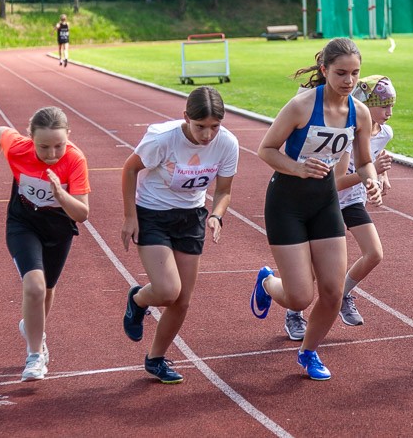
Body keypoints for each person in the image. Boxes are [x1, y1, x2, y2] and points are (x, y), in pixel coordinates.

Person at [251, 38, 381, 381]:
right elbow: (266, 149)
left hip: (325, 202)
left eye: (355, 73)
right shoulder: (302, 106)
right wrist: (298, 168)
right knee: (299, 297)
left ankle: (308, 352)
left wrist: (371, 181)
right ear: (324, 70)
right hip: (287, 203)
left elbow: (364, 161)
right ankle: (267, 282)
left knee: (333, 292)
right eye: (341, 73)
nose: (349, 80)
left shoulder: (360, 113)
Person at [121, 86, 239, 383]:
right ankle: (138, 300)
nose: (207, 135)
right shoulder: (163, 139)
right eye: (200, 126)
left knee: (182, 300)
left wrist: (217, 215)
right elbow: (129, 169)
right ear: (186, 117)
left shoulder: (227, 143)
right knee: (166, 291)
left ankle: (155, 359)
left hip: (191, 217)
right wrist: (130, 217)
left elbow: (223, 191)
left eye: (215, 126)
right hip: (153, 214)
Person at [0, 106, 91, 381]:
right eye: (44, 147)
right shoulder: (18, 148)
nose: (52, 154)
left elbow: (82, 214)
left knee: (47, 289)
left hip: (58, 228)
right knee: (35, 286)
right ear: (31, 138)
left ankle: (33, 328)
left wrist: (60, 195)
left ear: (68, 136)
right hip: (23, 223)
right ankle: (35, 355)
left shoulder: (75, 160)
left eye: (58, 145)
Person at [284, 75, 397, 340]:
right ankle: (294, 313)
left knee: (374, 253)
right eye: (384, 106)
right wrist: (368, 173)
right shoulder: (347, 135)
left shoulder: (385, 133)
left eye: (392, 106)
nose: (389, 112)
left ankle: (344, 293)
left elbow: (374, 157)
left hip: (353, 201)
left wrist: (381, 176)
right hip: (328, 200)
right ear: (365, 106)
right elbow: (335, 182)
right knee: (315, 268)